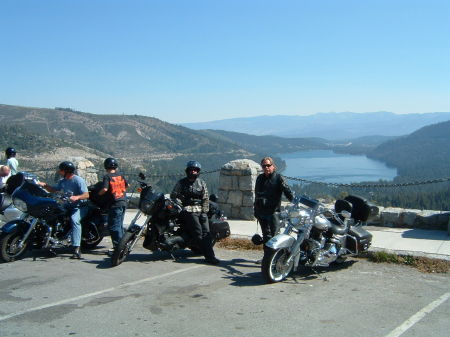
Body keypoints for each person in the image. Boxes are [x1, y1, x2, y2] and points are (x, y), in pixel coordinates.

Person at [170, 160, 220, 265]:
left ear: (198, 171)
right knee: (199, 233)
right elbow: (173, 195)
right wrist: (181, 205)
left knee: (206, 233)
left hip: (201, 211)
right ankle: (209, 257)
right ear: (187, 170)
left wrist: (204, 211)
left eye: (196, 170)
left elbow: (205, 198)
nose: (193, 171)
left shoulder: (201, 183)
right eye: (191, 169)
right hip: (188, 210)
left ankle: (209, 255)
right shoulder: (181, 183)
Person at [38, 161, 89, 259]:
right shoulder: (63, 181)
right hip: (67, 205)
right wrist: (44, 185)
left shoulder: (78, 180)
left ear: (67, 171)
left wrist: (77, 197)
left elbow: (86, 194)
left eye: (61, 170)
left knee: (75, 221)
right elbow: (54, 190)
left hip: (79, 206)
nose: (59, 171)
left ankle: (76, 248)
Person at [254, 157, 294, 249]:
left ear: (273, 166)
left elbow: (288, 192)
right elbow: (257, 195)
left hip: (273, 213)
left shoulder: (279, 178)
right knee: (265, 236)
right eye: (264, 166)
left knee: (274, 237)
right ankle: (266, 258)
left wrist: (294, 202)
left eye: (268, 165)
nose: (266, 168)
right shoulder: (260, 178)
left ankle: (274, 258)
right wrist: (255, 210)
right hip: (261, 212)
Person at [98, 157, 128, 253]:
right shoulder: (121, 175)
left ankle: (118, 248)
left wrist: (99, 194)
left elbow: (105, 189)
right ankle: (123, 245)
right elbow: (127, 186)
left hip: (114, 204)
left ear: (106, 166)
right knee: (119, 225)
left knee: (113, 226)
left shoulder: (107, 176)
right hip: (123, 202)